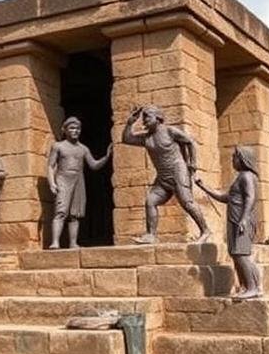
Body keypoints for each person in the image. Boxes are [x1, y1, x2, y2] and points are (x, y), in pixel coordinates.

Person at [121, 105, 210, 244]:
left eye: (147, 117)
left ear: (158, 118)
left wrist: (192, 163)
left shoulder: (170, 131)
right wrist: (130, 122)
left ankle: (205, 231)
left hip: (177, 171)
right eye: (143, 118)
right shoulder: (146, 137)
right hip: (162, 176)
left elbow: (190, 142)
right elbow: (126, 139)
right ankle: (151, 235)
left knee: (187, 202)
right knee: (150, 201)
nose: (144, 121)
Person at [195, 146, 262, 299]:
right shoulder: (241, 177)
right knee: (236, 254)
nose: (232, 160)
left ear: (243, 159)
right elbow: (225, 197)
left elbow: (250, 198)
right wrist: (203, 186)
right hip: (235, 220)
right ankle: (247, 286)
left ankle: (253, 287)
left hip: (241, 220)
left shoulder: (246, 176)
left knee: (241, 254)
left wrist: (244, 218)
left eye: (235, 157)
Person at [47, 117, 112, 249]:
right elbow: (50, 166)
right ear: (65, 130)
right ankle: (55, 242)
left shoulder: (83, 149)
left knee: (75, 214)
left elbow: (93, 165)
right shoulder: (58, 146)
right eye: (71, 128)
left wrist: (106, 157)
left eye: (77, 128)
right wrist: (52, 183)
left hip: (78, 179)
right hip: (63, 178)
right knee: (61, 211)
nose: (75, 131)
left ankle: (73, 242)